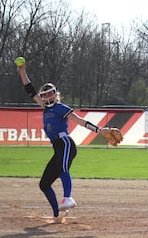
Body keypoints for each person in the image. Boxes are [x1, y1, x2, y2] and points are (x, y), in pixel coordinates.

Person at [16, 59, 110, 221]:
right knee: (44, 184)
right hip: (57, 147)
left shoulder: (61, 108)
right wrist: (21, 71)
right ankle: (56, 214)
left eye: (49, 93)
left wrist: (99, 130)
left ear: (55, 94)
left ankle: (68, 198)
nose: (46, 96)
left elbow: (79, 120)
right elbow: (29, 89)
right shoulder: (45, 108)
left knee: (62, 168)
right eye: (44, 95)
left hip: (66, 143)